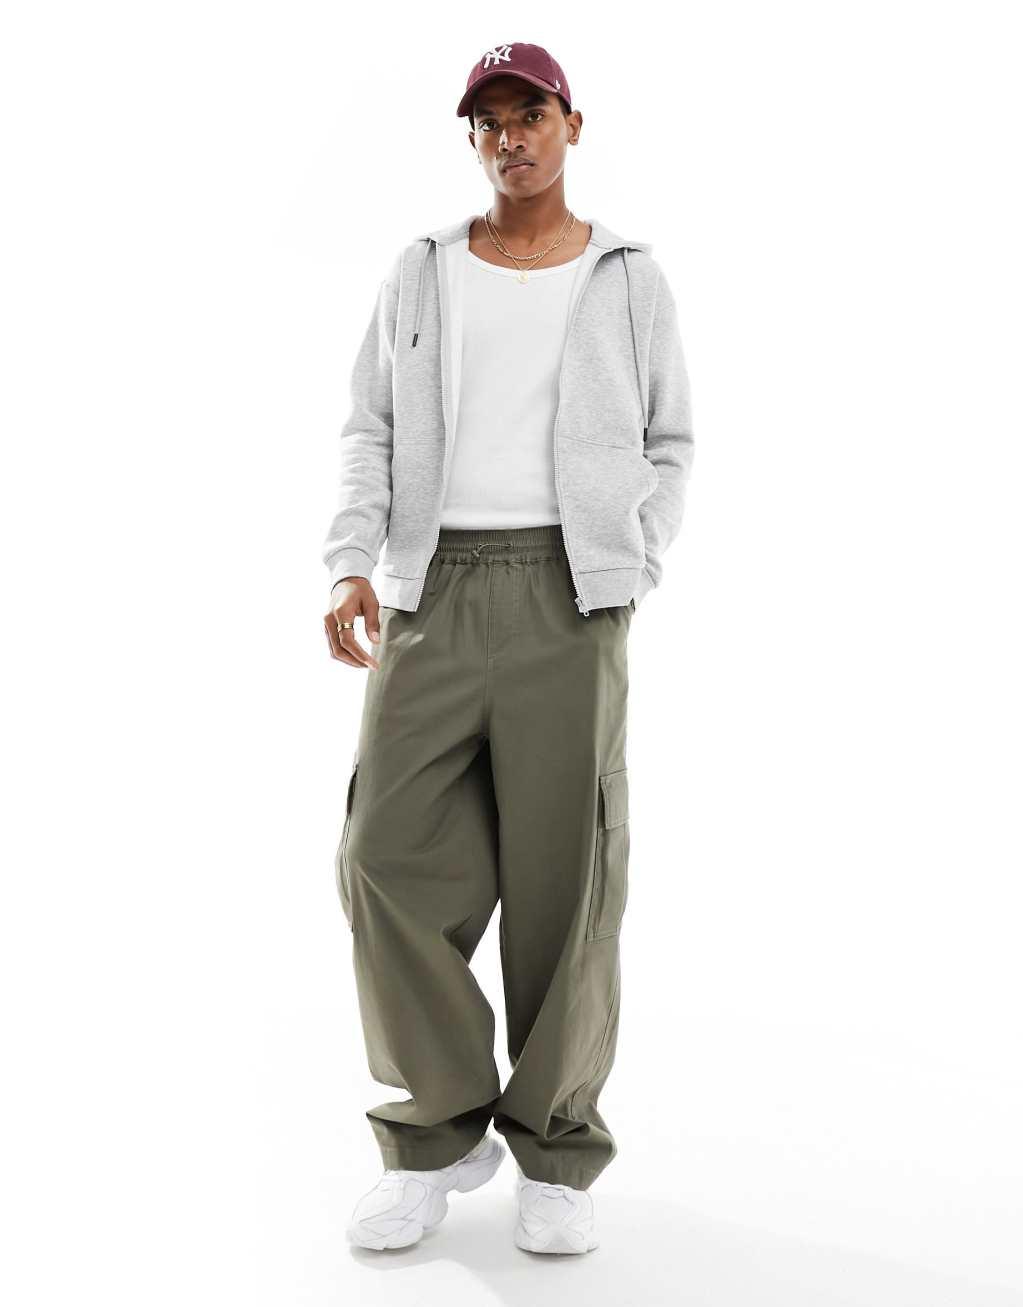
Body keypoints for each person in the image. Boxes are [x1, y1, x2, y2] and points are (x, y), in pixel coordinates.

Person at [322, 42, 695, 1255]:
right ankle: (437, 1130)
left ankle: (555, 1148)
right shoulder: (423, 269)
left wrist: (631, 558)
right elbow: (370, 424)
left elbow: (669, 438)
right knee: (382, 854)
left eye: (528, 113)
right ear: (471, 139)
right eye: (487, 121)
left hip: (568, 596)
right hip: (432, 589)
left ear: (571, 124)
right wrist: (351, 559)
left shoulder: (627, 277)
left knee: (564, 879)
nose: (509, 137)